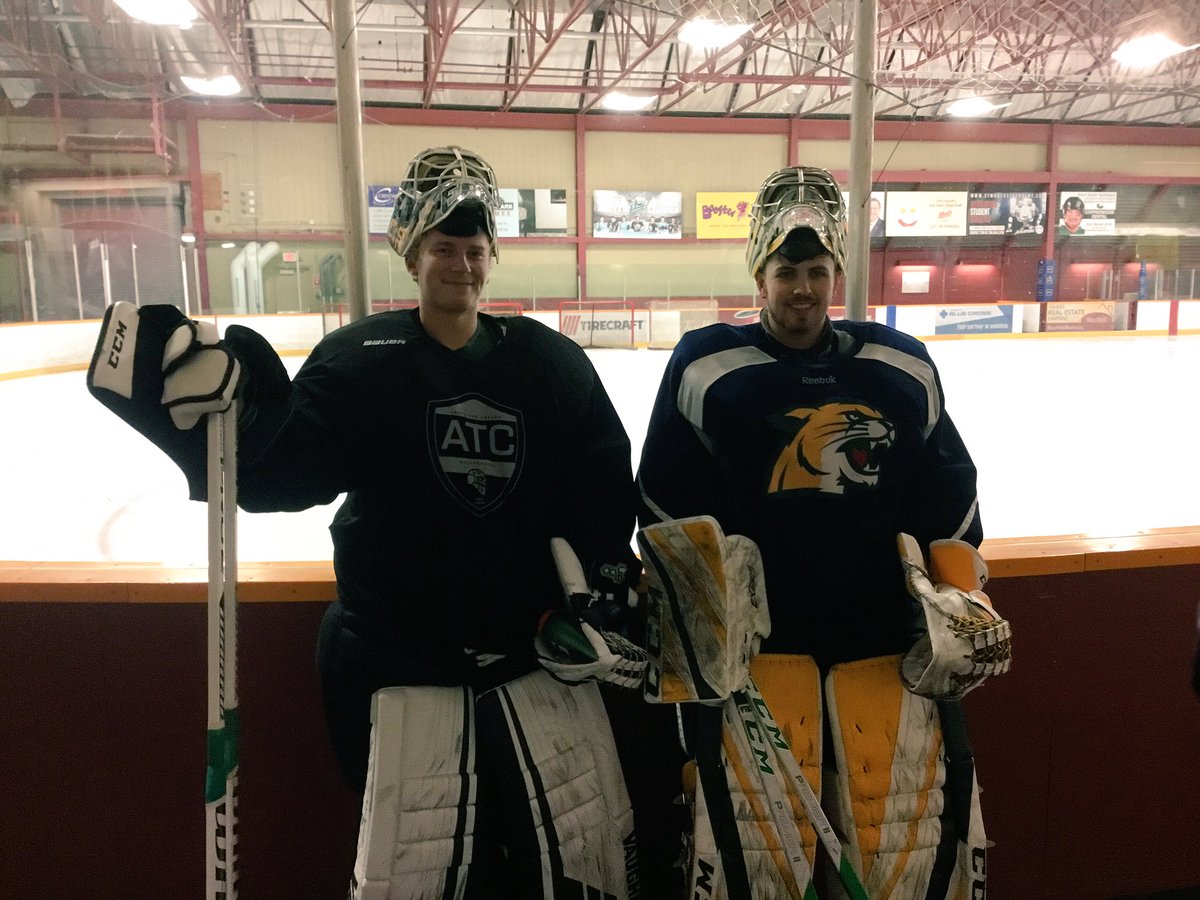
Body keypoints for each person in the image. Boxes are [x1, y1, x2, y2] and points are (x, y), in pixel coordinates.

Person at [88, 146, 651, 899]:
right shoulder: (360, 362)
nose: (462, 264)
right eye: (444, 249)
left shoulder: (549, 363)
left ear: (493, 259)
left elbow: (600, 484)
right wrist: (220, 424)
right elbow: (283, 474)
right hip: (398, 666)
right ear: (412, 255)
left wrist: (604, 581)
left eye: (475, 250)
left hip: (528, 667)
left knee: (563, 872)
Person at [636, 165, 1001, 898]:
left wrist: (959, 597)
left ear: (835, 270)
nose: (801, 288)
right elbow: (662, 504)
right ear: (759, 274)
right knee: (759, 866)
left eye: (815, 269)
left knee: (899, 859)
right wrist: (700, 625)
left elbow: (948, 495)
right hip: (759, 663)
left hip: (883, 656)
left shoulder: (901, 367)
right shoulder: (706, 367)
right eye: (784, 270)